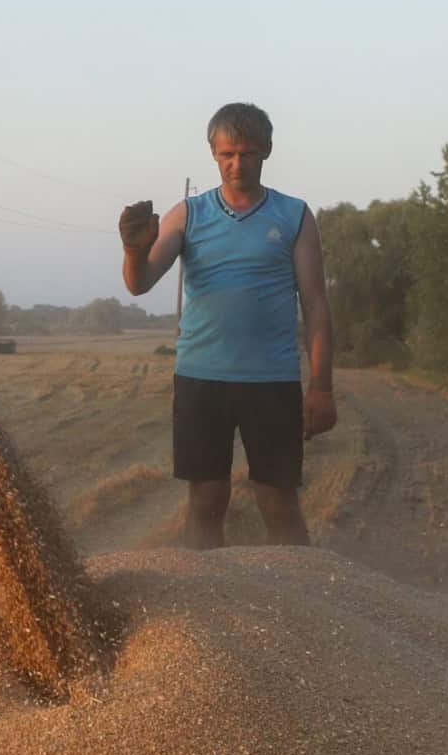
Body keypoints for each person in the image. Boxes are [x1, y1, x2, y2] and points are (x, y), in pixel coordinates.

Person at [119, 102, 335, 548]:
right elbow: (139, 284)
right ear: (213, 154)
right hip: (202, 376)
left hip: (271, 379)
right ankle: (204, 606)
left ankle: (302, 602)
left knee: (278, 500)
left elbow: (315, 305)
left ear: (267, 151)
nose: (238, 164)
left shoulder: (294, 216)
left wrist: (321, 387)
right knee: (206, 498)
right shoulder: (188, 214)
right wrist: (134, 250)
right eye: (227, 154)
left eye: (249, 153)